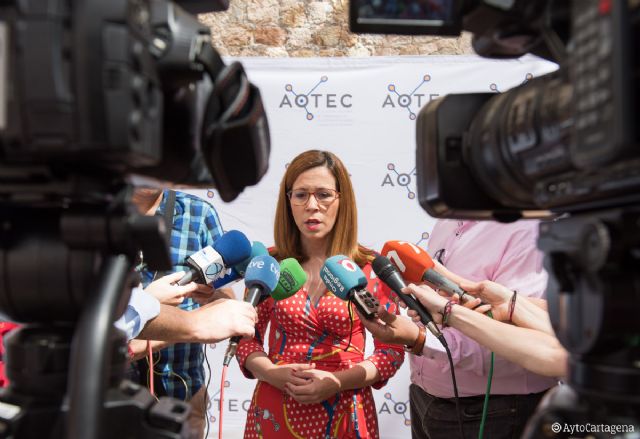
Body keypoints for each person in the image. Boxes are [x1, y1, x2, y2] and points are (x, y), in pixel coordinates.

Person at [236, 150, 405, 439]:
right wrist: (270, 373)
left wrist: (337, 382)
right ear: (288, 202)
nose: (312, 206)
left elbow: (391, 351)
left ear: (342, 200)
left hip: (347, 412)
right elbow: (244, 336)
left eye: (324, 195)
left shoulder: (370, 267)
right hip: (274, 410)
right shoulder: (270, 265)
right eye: (300, 195)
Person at [408, 219, 558, 439]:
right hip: (424, 399)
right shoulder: (446, 221)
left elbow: (519, 343)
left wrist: (420, 339)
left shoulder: (525, 229)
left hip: (493, 412)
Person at [131, 187, 230, 439]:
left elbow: (226, 299)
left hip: (182, 389)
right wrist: (183, 325)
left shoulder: (199, 213)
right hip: (109, 388)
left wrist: (210, 297)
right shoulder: (101, 214)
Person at [360, 280, 567, 378]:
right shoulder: (446, 225)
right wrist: (509, 304)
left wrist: (448, 311)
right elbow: (565, 331)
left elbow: (555, 355)